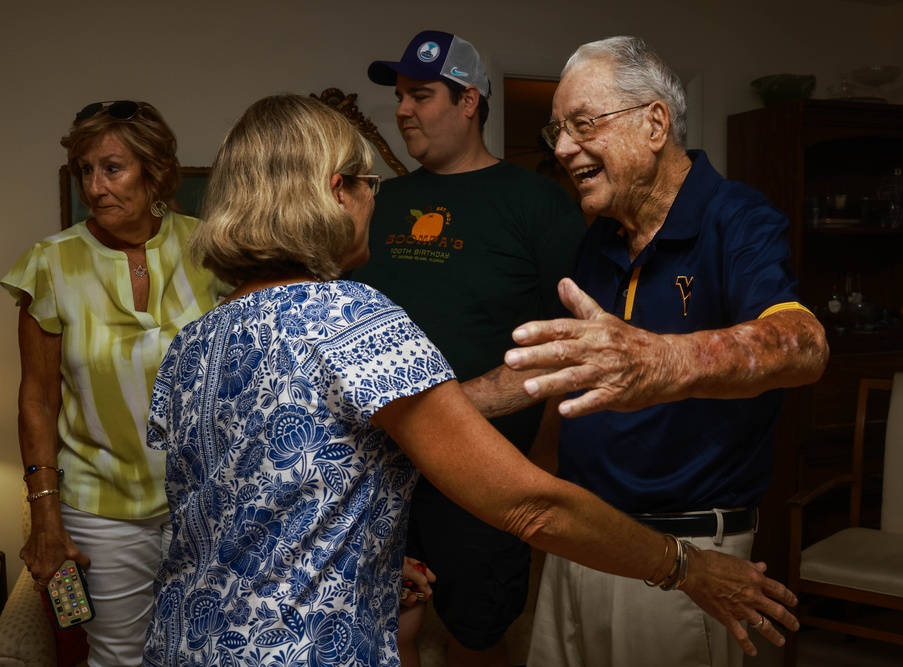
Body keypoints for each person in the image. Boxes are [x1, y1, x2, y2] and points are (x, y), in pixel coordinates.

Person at [141, 93, 802, 667]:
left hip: (182, 640)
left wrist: (362, 557)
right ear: (335, 193)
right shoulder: (351, 316)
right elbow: (530, 505)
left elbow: (238, 510)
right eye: (368, 184)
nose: (378, 200)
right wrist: (684, 565)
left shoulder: (196, 339)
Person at [501, 37, 830, 667]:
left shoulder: (736, 218)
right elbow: (571, 380)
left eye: (583, 124)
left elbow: (804, 344)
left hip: (684, 561)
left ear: (655, 123)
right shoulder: (599, 238)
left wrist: (662, 361)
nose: (563, 148)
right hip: (584, 541)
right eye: (556, 130)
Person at [352, 30, 588, 667]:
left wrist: (545, 459)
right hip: (379, 468)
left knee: (477, 634)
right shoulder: (379, 203)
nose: (402, 109)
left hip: (484, 469)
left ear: (469, 102)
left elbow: (576, 340)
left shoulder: (537, 204)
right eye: (399, 96)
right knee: (380, 629)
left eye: (420, 95)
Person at [2, 100, 230, 666]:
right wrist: (47, 518)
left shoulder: (213, 250)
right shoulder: (49, 264)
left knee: (208, 648)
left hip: (205, 501)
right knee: (119, 656)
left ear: (155, 172)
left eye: (112, 168)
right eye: (85, 170)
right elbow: (36, 399)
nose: (95, 187)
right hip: (100, 508)